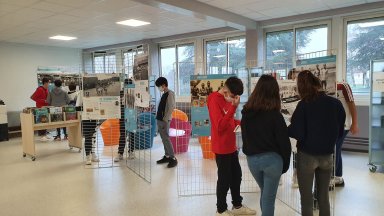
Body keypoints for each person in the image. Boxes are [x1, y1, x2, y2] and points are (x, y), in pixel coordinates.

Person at [288, 71, 345, 216]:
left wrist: (288, 128)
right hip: (327, 155)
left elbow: (297, 132)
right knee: (323, 197)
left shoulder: (303, 105)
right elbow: (339, 131)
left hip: (307, 155)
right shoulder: (336, 103)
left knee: (306, 199)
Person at [241, 75, 291, 216]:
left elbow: (245, 138)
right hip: (273, 161)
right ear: (274, 92)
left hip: (253, 161)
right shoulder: (275, 115)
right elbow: (284, 143)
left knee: (265, 193)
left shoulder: (246, 113)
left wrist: (249, 154)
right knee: (269, 198)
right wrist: (285, 164)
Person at [207, 76, 256, 216]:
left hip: (231, 145)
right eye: (233, 96)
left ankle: (237, 205)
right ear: (226, 90)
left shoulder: (229, 100)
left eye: (236, 97)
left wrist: (242, 124)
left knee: (236, 176)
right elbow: (220, 126)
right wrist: (234, 107)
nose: (234, 99)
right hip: (221, 147)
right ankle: (221, 209)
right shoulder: (214, 99)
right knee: (224, 179)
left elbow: (229, 121)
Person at [335, 82, 359, 186]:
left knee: (334, 149)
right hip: (332, 126)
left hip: (343, 125)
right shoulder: (322, 87)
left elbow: (351, 103)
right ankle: (337, 177)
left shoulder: (343, 86)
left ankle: (334, 177)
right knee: (336, 149)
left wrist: (354, 123)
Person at [155, 77, 177, 168]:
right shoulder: (164, 94)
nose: (159, 88)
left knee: (166, 139)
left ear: (164, 85)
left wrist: (165, 118)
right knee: (164, 139)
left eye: (159, 86)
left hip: (164, 120)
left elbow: (171, 107)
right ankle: (167, 156)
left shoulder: (170, 94)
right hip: (160, 119)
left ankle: (173, 158)